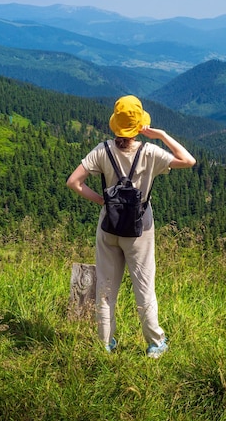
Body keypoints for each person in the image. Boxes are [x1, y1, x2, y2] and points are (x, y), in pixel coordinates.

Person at [66, 95, 196, 358]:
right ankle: (155, 344)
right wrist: (161, 135)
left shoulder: (102, 151)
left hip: (109, 226)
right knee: (144, 286)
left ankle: (105, 344)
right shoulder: (150, 152)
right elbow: (188, 161)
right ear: (139, 126)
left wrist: (102, 200)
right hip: (140, 230)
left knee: (105, 288)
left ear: (116, 125)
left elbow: (74, 182)